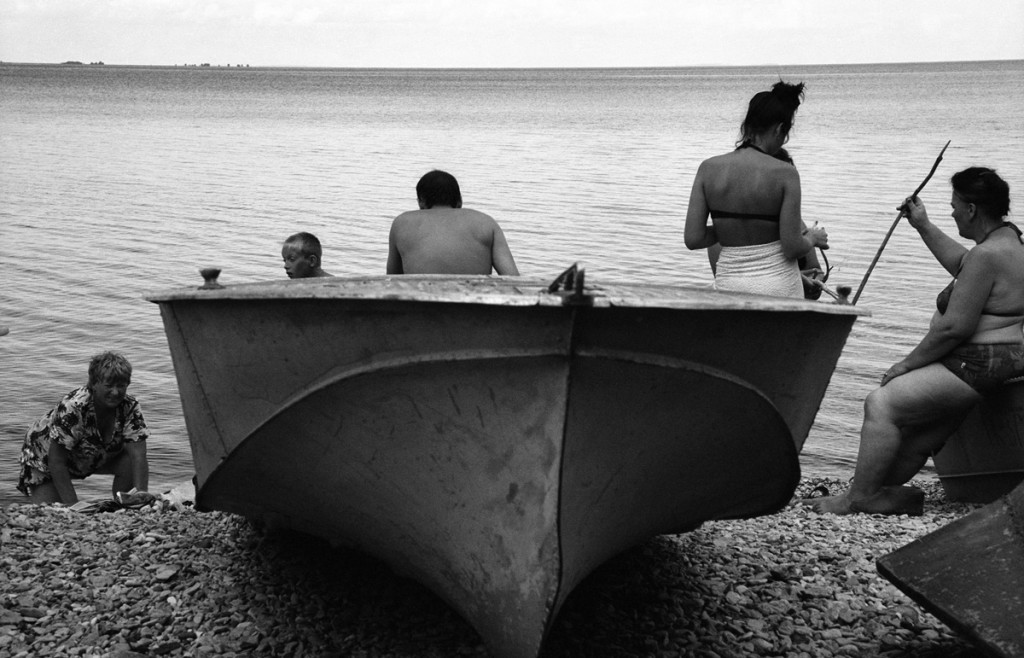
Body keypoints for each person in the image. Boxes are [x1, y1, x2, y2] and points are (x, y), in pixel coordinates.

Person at [808, 167, 1024, 515]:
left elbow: (954, 327)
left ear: (971, 209)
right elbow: (964, 264)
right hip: (1000, 359)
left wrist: (906, 364)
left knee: (881, 403)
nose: (952, 212)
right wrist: (922, 225)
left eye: (954, 206)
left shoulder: (986, 256)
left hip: (977, 361)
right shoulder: (1009, 241)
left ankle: (856, 499)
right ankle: (886, 494)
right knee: (922, 434)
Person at [684, 81, 828, 297]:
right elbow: (792, 247)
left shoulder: (707, 168)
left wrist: (731, 227)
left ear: (748, 125)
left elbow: (693, 239)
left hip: (728, 286)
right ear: (779, 129)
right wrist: (813, 238)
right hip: (779, 287)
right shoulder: (785, 173)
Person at [17, 351, 151, 505]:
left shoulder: (130, 406)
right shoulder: (74, 408)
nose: (115, 392)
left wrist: (142, 495)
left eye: (121, 386)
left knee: (129, 460)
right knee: (53, 512)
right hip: (45, 459)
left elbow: (138, 455)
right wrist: (75, 506)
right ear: (94, 384)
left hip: (90, 456)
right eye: (109, 386)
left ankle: (125, 503)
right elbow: (56, 462)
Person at [387, 170, 520, 275]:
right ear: (459, 200)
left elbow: (393, 278)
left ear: (421, 201)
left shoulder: (402, 223)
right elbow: (512, 277)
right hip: (474, 301)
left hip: (421, 301)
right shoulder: (485, 223)